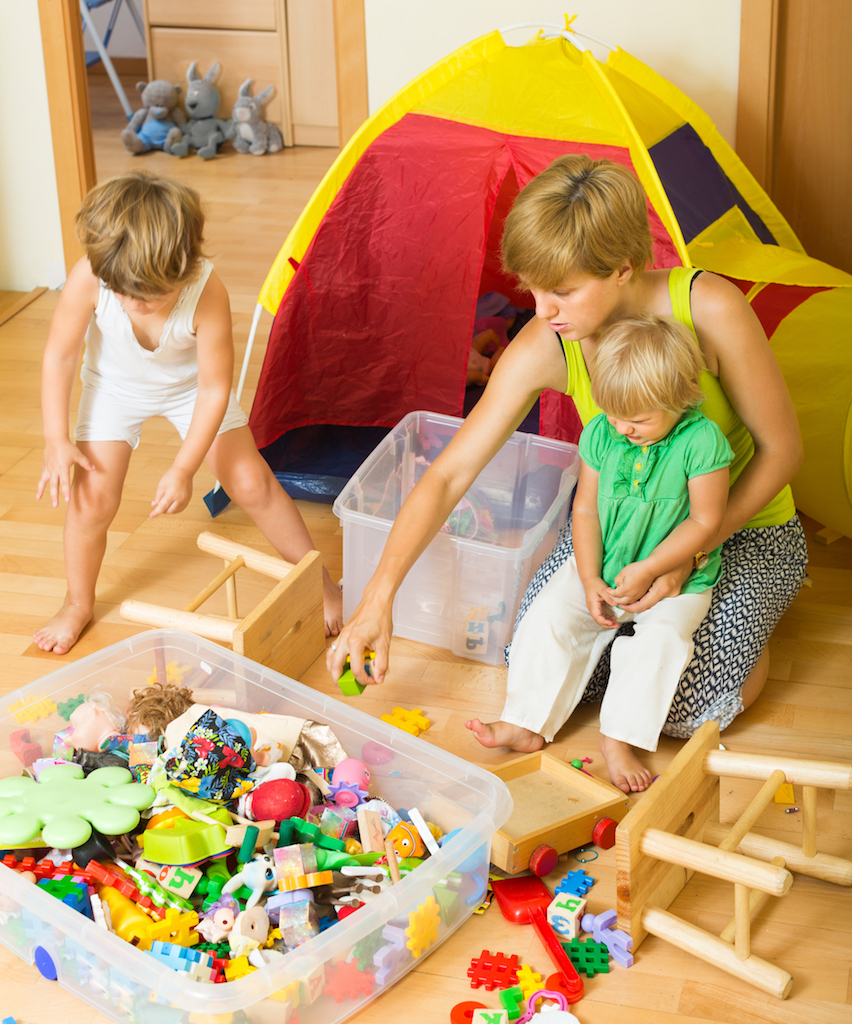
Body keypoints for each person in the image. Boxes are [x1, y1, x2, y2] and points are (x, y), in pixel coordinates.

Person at [327, 154, 807, 790]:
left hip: (738, 526)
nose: (543, 309)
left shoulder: (708, 308)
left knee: (684, 708)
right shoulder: (548, 341)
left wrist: (689, 553)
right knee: (534, 649)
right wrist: (376, 600)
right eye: (532, 289)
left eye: (562, 291)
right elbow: (447, 476)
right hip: (621, 531)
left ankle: (745, 624)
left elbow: (782, 451)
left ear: (623, 267)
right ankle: (642, 649)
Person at [34, 171, 343, 655]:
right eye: (121, 292)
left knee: (251, 482)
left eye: (148, 295)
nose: (132, 304)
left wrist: (183, 469)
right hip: (113, 389)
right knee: (91, 500)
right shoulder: (91, 275)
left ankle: (318, 580)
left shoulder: (207, 290)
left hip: (191, 391)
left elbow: (214, 389)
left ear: (185, 268)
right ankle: (77, 602)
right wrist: (56, 438)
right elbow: (59, 356)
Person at [466, 314, 733, 792]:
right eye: (613, 415)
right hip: (603, 563)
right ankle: (525, 722)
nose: (622, 428)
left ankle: (619, 739)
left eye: (638, 420)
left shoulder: (702, 441)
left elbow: (705, 521)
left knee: (661, 642)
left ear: (682, 397)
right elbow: (585, 510)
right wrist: (589, 578)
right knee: (548, 615)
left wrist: (652, 568)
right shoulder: (602, 433)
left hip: (677, 579)